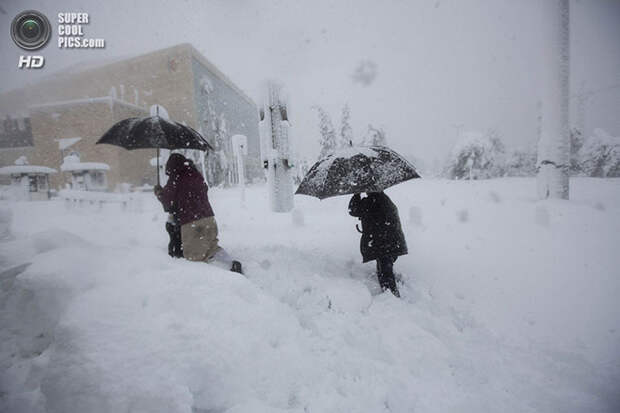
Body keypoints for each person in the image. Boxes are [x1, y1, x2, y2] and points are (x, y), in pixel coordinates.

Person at [154, 153, 243, 274]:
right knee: (212, 248)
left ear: (171, 167)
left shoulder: (176, 177)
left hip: (192, 223)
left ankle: (221, 279)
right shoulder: (196, 174)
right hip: (209, 218)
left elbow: (168, 203)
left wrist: (159, 193)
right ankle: (230, 263)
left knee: (194, 259)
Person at [348, 191, 407, 297]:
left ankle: (391, 295)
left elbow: (353, 210)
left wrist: (356, 195)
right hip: (392, 241)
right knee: (385, 265)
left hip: (384, 243)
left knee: (385, 268)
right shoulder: (384, 199)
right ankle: (390, 291)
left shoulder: (371, 201)